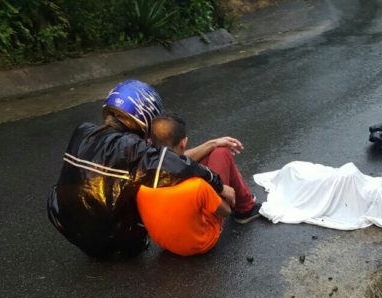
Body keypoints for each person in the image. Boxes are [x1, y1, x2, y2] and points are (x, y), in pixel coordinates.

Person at [47, 79, 236, 259]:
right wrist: (217, 184)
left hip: (72, 230)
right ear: (144, 113)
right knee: (154, 185)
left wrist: (210, 144)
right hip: (116, 244)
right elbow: (177, 166)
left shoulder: (83, 130)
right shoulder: (133, 147)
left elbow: (166, 161)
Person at [136, 113, 262, 256]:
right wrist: (218, 189)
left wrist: (212, 143)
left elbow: (176, 160)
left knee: (210, 153)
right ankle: (246, 207)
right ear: (184, 143)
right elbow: (225, 211)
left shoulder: (140, 174)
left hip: (165, 243)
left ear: (149, 142)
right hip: (201, 243)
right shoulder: (198, 186)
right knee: (221, 153)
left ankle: (246, 202)